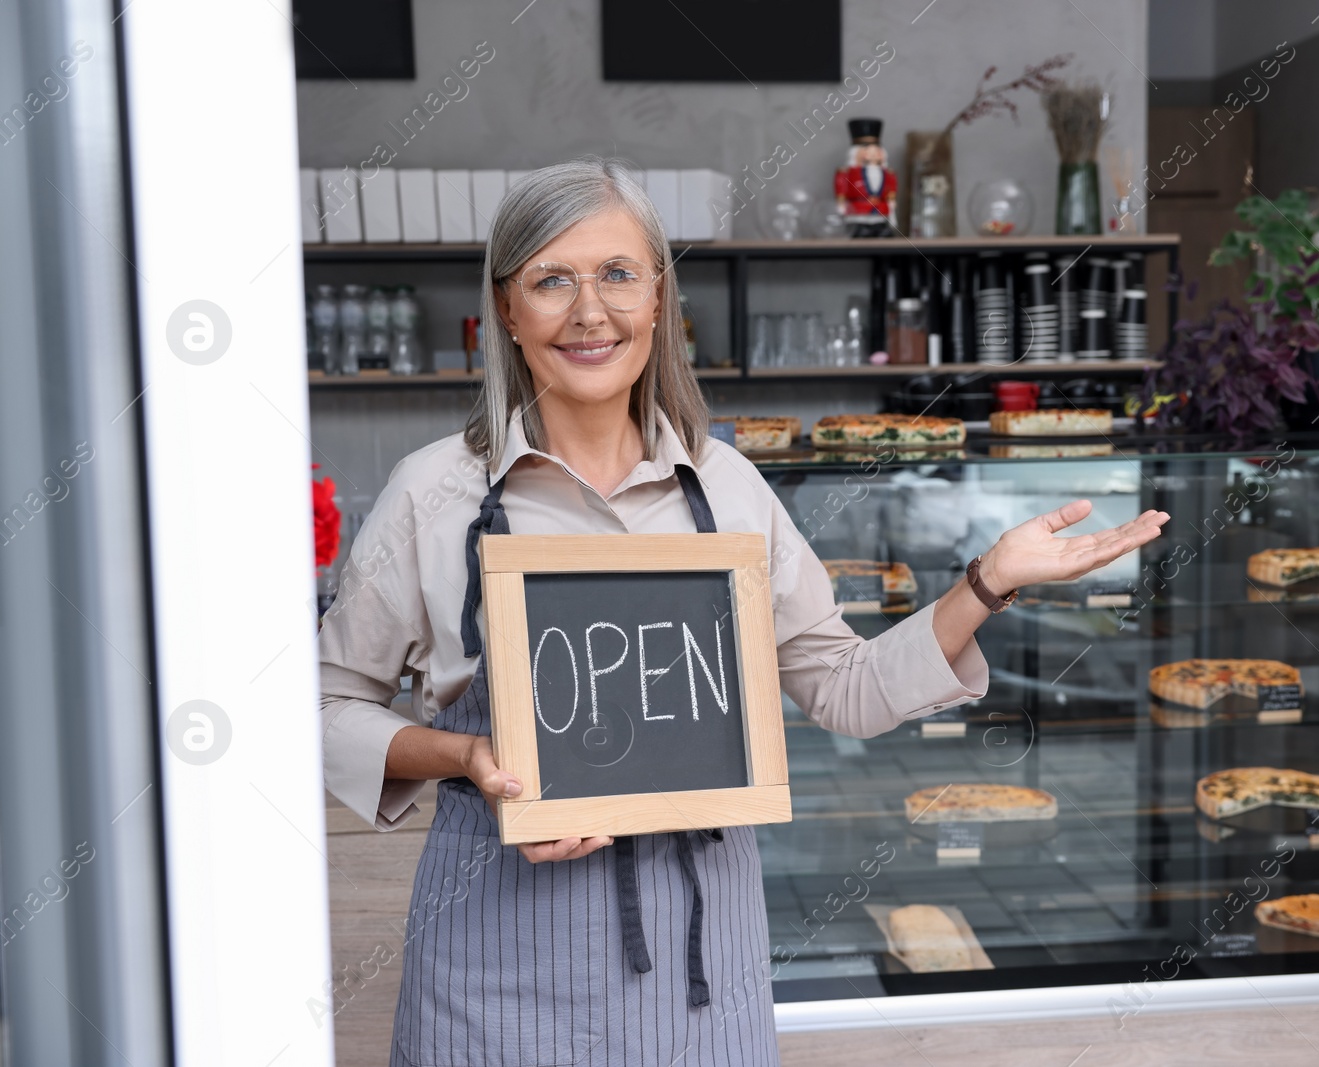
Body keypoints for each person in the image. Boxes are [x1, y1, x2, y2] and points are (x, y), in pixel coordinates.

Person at [318, 156, 1168, 1066]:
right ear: (507, 310)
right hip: (493, 963)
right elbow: (324, 711)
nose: (590, 311)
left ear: (658, 300)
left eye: (618, 274)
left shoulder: (727, 486)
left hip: (699, 972)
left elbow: (847, 688)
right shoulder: (434, 492)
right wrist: (468, 756)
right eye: (552, 280)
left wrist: (986, 582)